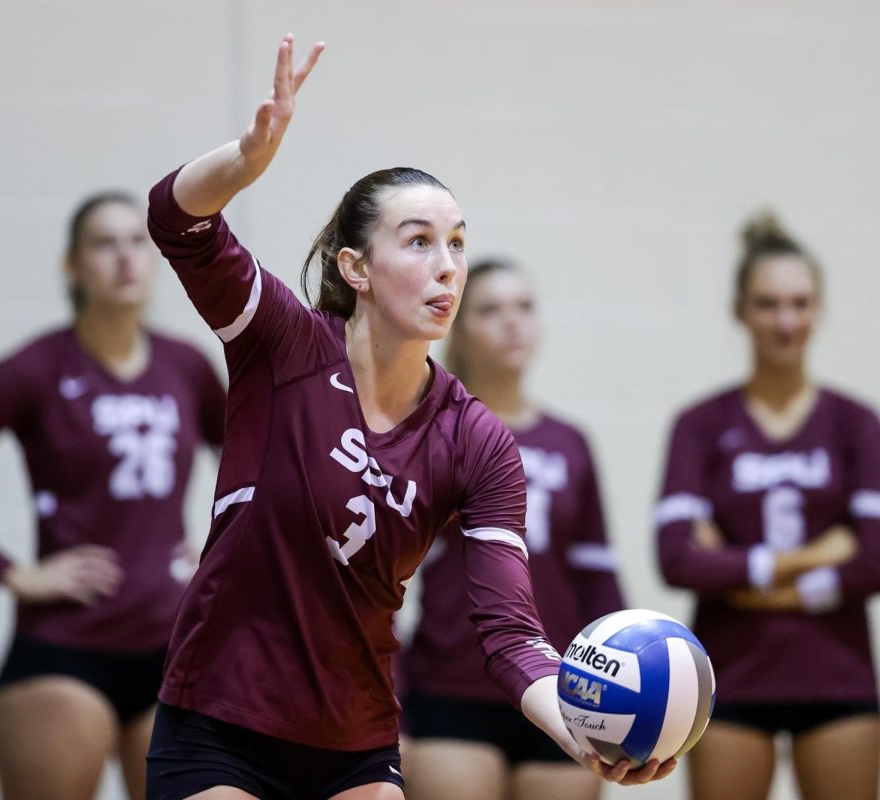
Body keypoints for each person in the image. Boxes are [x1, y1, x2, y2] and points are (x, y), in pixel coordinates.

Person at [142, 35, 673, 800]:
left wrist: (585, 731)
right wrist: (245, 163)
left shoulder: (477, 439)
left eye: (456, 244)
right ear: (355, 268)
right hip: (220, 722)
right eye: (418, 242)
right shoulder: (283, 346)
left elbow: (510, 633)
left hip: (354, 741)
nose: (446, 265)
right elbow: (176, 223)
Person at [0, 190, 226, 800]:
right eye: (104, 244)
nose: (125, 258)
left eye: (137, 242)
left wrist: (224, 553)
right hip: (64, 651)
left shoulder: (185, 365)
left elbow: (263, 469)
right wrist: (9, 573)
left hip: (174, 650)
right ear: (72, 265)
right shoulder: (35, 368)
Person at [655, 213, 880, 800]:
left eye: (800, 303)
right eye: (767, 304)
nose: (785, 321)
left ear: (819, 309)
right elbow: (677, 560)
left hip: (838, 677)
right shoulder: (701, 424)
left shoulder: (857, 423)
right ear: (740, 311)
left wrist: (739, 575)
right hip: (730, 678)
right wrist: (809, 559)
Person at [401, 260, 625, 800]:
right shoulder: (426, 434)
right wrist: (387, 698)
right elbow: (376, 586)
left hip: (564, 692)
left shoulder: (570, 442)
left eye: (524, 307)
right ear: (457, 325)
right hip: (451, 690)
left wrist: (624, 694)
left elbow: (597, 582)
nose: (512, 323)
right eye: (491, 310)